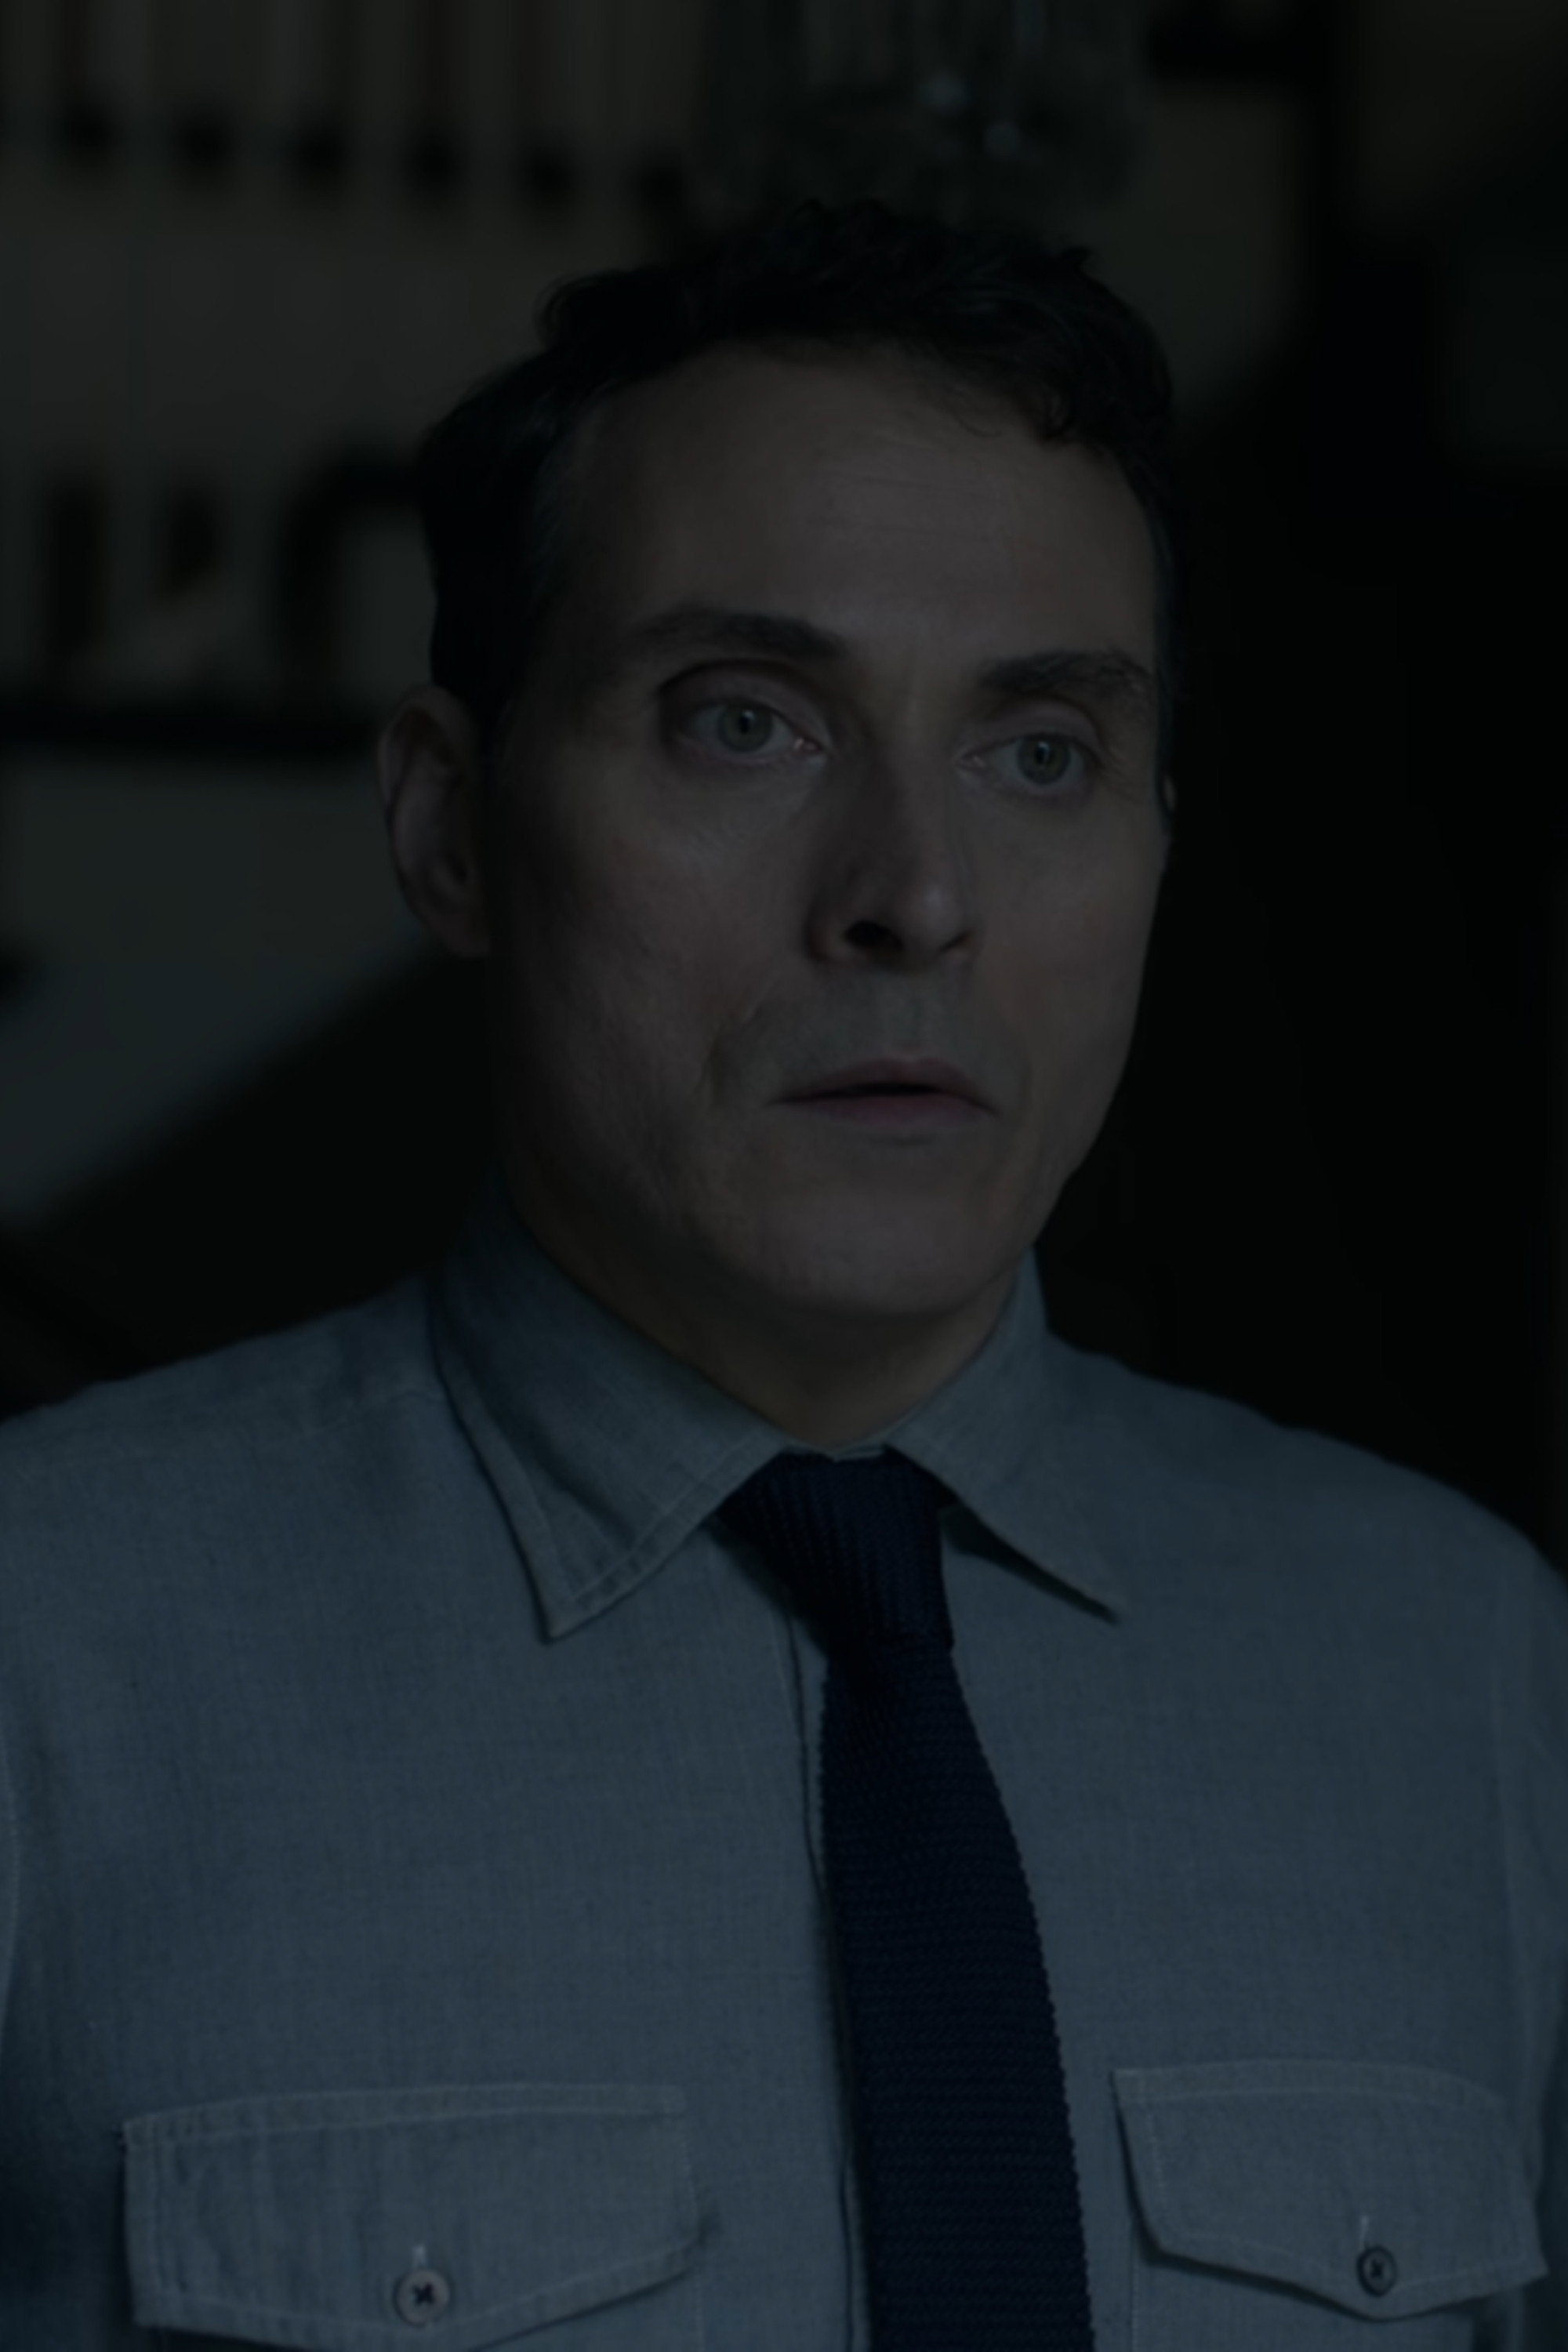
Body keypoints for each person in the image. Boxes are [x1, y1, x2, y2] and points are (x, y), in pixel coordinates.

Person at [0, 197, 1563, 2350]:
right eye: (746, 721)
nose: (916, 893)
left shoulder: (1476, 1682)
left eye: (1040, 752)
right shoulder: (46, 1658)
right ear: (451, 827)